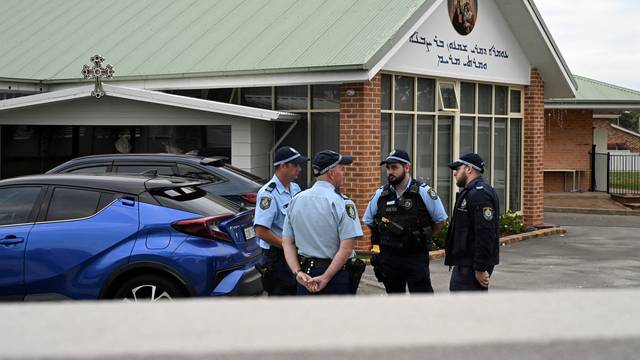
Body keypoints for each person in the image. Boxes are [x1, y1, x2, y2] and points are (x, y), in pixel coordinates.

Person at [363, 149, 447, 294]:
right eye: (388, 168)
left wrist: (424, 236)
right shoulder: (380, 194)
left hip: (415, 255)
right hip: (389, 257)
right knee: (395, 302)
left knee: (422, 299)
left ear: (407, 168)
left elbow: (440, 220)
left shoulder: (423, 192)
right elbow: (369, 221)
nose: (390, 172)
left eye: (394, 167)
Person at [282, 150, 364, 295]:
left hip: (305, 276)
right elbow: (346, 248)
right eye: (341, 168)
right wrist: (326, 278)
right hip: (335, 276)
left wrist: (297, 273)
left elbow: (287, 242)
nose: (343, 173)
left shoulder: (296, 200)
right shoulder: (342, 203)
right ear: (331, 173)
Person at [253, 146, 307, 296]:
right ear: (283, 166)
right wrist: (288, 246)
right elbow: (261, 231)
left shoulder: (295, 188)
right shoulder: (268, 194)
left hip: (293, 251)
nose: (300, 169)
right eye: (296, 165)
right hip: (277, 256)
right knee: (281, 297)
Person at [446, 153, 500, 291]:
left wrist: (480, 268)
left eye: (458, 169)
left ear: (469, 169)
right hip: (465, 264)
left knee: (467, 309)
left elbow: (485, 233)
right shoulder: (470, 192)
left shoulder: (480, 194)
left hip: (471, 267)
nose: (455, 173)